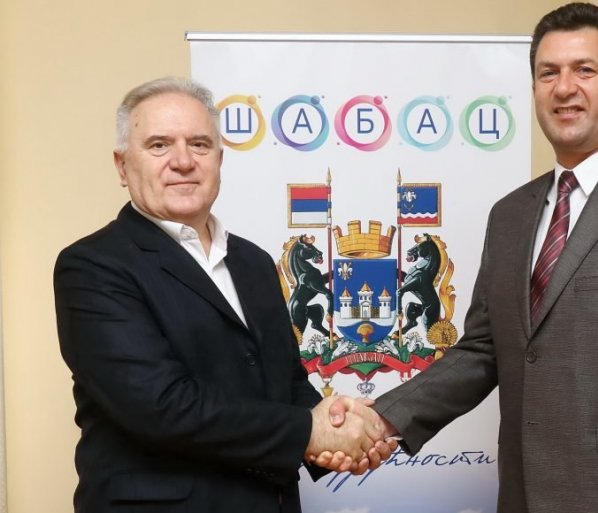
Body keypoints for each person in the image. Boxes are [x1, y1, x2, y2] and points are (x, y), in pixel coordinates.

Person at [323, 3, 598, 512]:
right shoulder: (511, 214)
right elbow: (481, 351)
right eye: (548, 73)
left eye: (584, 70)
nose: (564, 88)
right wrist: (384, 418)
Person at [54, 76, 394, 513]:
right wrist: (310, 433)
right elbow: (160, 407)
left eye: (199, 144)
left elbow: (286, 383)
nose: (182, 161)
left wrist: (340, 431)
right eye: (159, 145)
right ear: (122, 166)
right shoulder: (92, 265)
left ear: (219, 159)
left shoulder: (253, 261)